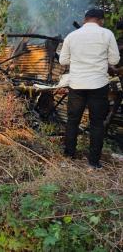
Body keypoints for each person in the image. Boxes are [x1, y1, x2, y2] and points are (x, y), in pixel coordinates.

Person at [59, 9, 120, 169]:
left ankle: (69, 155)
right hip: (98, 85)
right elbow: (114, 59)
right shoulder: (107, 34)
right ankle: (93, 162)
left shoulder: (72, 36)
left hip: (76, 85)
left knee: (72, 121)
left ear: (85, 19)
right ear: (101, 20)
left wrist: (80, 59)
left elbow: (63, 61)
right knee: (97, 123)